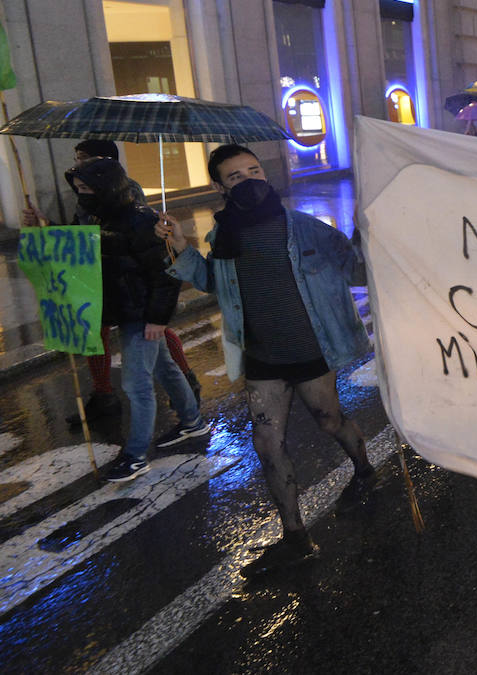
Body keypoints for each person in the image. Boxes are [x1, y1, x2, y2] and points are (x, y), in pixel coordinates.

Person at [158, 145, 376, 576]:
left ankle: (365, 468)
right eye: (235, 177)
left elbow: (358, 272)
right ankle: (296, 537)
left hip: (311, 352)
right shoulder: (223, 237)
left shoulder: (306, 229)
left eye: (253, 170)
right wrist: (180, 247)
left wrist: (365, 235)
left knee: (330, 421)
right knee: (266, 442)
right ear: (220, 187)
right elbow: (213, 284)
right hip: (262, 359)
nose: (249, 180)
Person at [26, 159, 208, 483]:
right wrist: (46, 224)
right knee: (165, 368)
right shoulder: (103, 216)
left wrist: (157, 319)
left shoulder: (144, 221)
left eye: (86, 188)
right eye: (78, 189)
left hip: (142, 315)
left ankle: (136, 456)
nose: (81, 195)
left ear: (106, 187)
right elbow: (90, 242)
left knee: (137, 385)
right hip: (127, 311)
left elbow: (166, 275)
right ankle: (193, 421)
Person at [59, 140, 200, 424]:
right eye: (77, 159)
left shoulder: (126, 192)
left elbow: (140, 245)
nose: (80, 164)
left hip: (127, 280)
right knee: (97, 333)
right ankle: (104, 395)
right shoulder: (84, 194)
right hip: (98, 275)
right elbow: (81, 231)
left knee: (153, 336)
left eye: (85, 158)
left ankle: (185, 392)